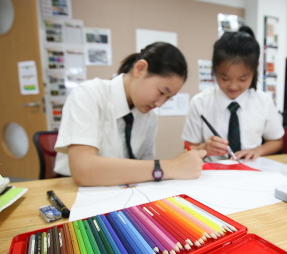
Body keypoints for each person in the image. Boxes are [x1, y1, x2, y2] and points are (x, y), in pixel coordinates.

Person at [54, 42, 206, 186]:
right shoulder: (89, 94)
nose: (160, 104)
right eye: (161, 92)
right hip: (75, 192)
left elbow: (145, 168)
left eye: (168, 98)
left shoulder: (149, 116)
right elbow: (83, 170)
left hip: (122, 191)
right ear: (139, 69)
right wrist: (172, 167)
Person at [182, 26, 284, 162]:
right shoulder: (200, 102)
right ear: (214, 69)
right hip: (213, 173)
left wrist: (256, 151)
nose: (233, 86)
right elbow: (188, 149)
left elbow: (276, 141)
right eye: (225, 78)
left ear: (254, 70)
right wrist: (204, 147)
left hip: (251, 171)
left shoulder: (264, 101)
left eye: (243, 79)